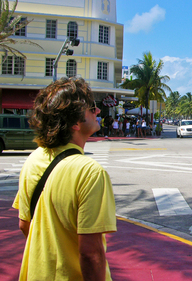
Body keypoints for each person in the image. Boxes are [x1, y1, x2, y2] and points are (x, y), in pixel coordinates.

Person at [13, 77, 117, 280]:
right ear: (75, 123)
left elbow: (24, 225)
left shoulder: (33, 159)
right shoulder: (90, 172)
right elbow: (90, 253)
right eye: (91, 107)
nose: (97, 111)